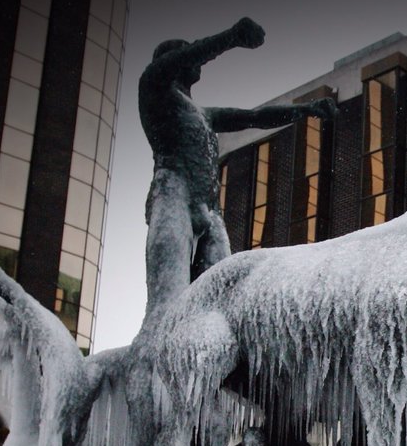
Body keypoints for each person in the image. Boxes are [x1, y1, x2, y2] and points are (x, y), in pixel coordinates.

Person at [139, 17, 337, 283]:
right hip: (174, 195)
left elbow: (254, 117)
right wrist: (232, 36)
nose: (195, 60)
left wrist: (304, 110)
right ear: (171, 61)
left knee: (219, 291)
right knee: (168, 292)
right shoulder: (155, 89)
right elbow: (189, 55)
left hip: (209, 209)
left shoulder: (204, 115)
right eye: (186, 53)